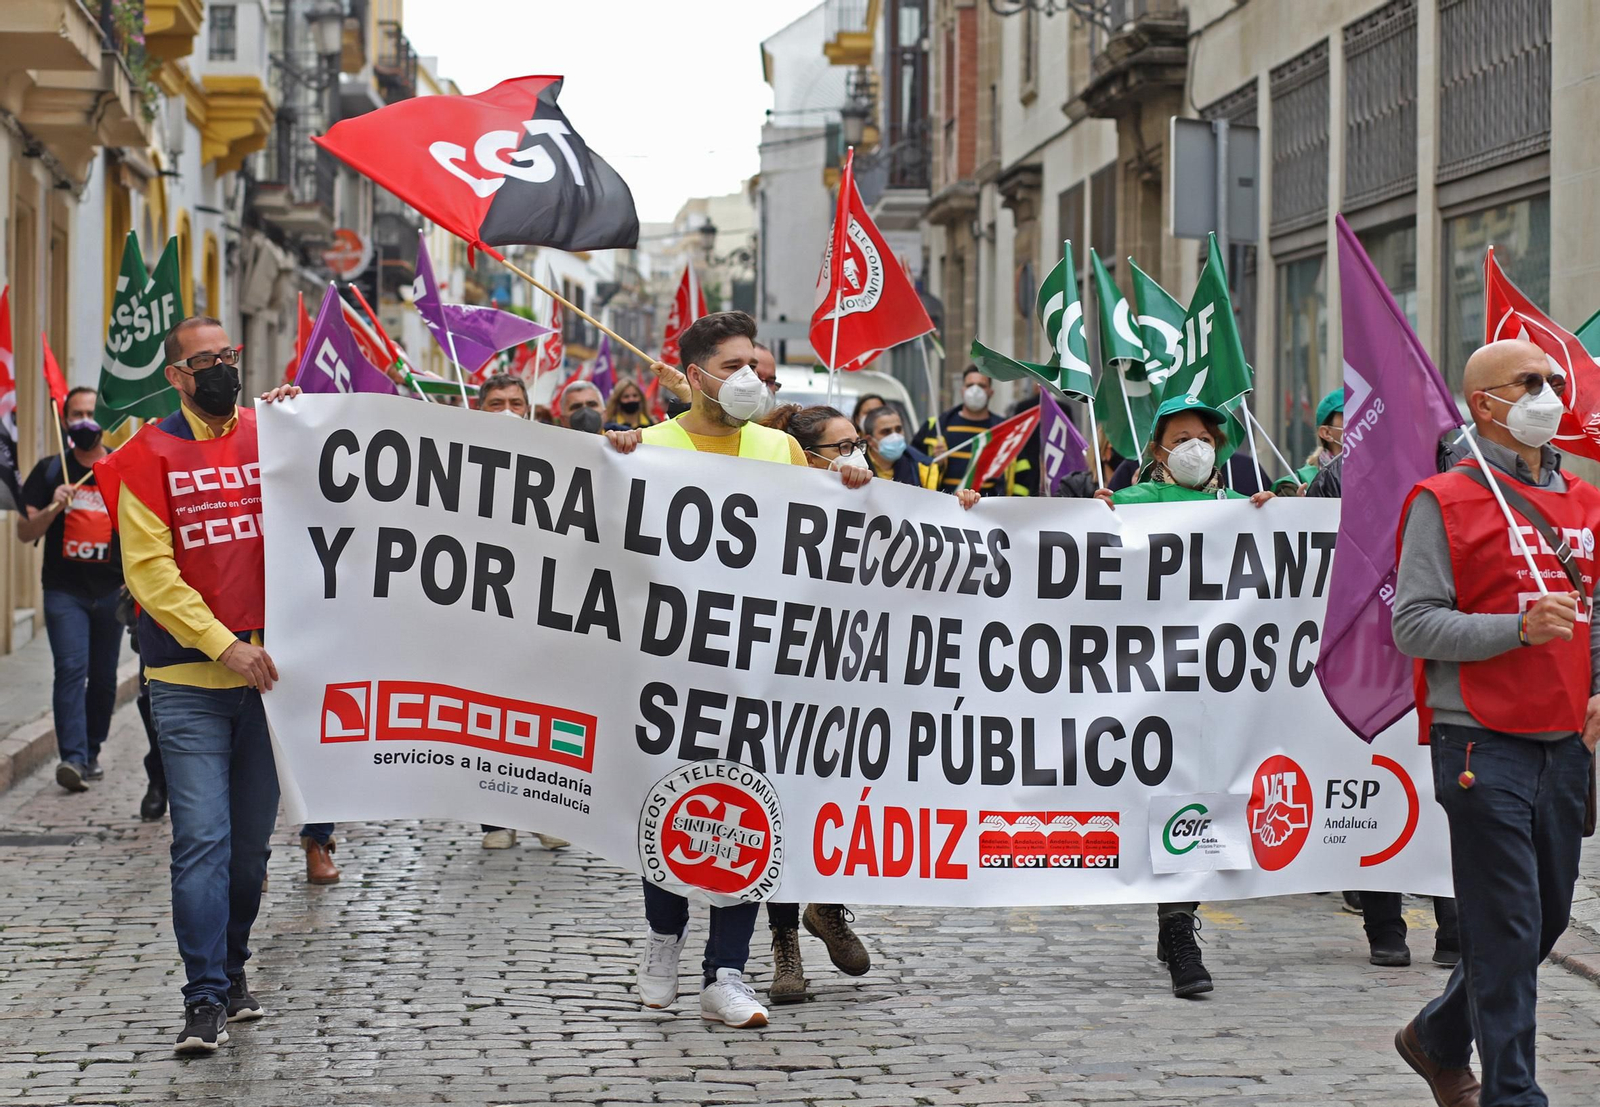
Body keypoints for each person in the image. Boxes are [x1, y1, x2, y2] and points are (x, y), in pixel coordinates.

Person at [607, 311, 863, 1029]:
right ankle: (664, 937)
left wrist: (853, 484)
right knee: (667, 806)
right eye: (733, 363)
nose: (750, 376)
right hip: (668, 669)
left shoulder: (780, 447)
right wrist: (615, 455)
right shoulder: (649, 445)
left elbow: (844, 524)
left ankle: (726, 970)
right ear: (694, 376)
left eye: (754, 361)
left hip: (756, 672)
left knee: (746, 811)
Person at [1391, 339, 1600, 1107]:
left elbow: (1595, 610)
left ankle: (1438, 1035)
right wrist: (1511, 628)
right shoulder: (1440, 499)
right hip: (1479, 741)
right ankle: (1515, 1095)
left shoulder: (1584, 500)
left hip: (1565, 743)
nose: (1549, 393)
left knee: (1540, 923)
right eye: (1531, 382)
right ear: (1486, 404)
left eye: (1552, 380)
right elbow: (1412, 625)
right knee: (1507, 928)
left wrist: (1599, 685)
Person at [96, 317, 300, 1054]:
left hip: (269, 682)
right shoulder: (147, 452)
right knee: (202, 840)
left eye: (230, 356)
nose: (223, 369)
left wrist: (304, 419)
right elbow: (150, 573)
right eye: (206, 360)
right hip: (186, 678)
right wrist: (225, 646)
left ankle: (235, 965)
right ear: (178, 376)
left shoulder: (275, 432)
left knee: (248, 850)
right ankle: (203, 995)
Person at [1096, 395, 1272, 999]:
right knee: (1164, 790)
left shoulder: (1240, 508)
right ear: (1156, 450)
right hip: (1145, 683)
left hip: (1219, 686)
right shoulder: (1130, 504)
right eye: (1182, 438)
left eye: (1206, 437)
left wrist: (1276, 523)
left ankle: (1178, 926)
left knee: (1203, 792)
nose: (1197, 447)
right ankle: (1176, 931)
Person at [1303, 415, 1460, 969]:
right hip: (1366, 658)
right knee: (1372, 788)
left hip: (1436, 653)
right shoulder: (1341, 475)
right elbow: (1307, 549)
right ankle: (1383, 926)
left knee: (1445, 794)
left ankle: (1454, 926)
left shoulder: (1460, 472)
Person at [474, 371, 570, 853]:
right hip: (482, 613)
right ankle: (495, 820)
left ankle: (543, 809)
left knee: (543, 714)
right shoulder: (459, 461)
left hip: (539, 610)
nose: (507, 410)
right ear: (478, 409)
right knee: (489, 715)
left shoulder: (554, 456)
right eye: (495, 403)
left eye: (516, 401)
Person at [17, 387, 122, 793]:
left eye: (91, 413)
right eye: (76, 414)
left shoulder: (120, 466)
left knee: (104, 678)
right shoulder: (49, 471)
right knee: (70, 669)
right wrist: (52, 507)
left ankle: (92, 750)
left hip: (111, 591)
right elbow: (26, 533)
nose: (84, 421)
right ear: (65, 422)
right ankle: (72, 759)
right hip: (65, 592)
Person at [911, 366, 1017, 495]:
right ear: (962, 390)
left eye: (981, 385)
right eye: (970, 385)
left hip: (989, 508)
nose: (975, 390)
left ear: (991, 392)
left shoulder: (1005, 430)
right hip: (946, 507)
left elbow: (1020, 474)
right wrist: (935, 463)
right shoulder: (936, 427)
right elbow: (912, 467)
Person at [1272, 388, 1343, 494]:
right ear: (1326, 433)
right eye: (1350, 416)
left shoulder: (1374, 478)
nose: (1361, 423)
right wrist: (1301, 507)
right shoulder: (1295, 485)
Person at [861, 405, 942, 491]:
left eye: (898, 429)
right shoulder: (856, 465)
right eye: (886, 432)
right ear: (869, 440)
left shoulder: (923, 467)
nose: (895, 436)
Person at [1055, 426, 1126, 498]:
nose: (1126, 454)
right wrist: (1095, 505)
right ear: (1102, 452)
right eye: (1119, 446)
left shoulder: (1134, 487)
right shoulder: (1073, 486)